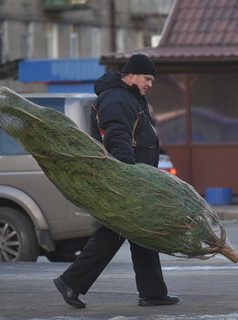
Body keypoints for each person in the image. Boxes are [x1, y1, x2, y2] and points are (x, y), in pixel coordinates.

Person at [54, 54, 179, 309]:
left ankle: (153, 292)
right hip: (125, 180)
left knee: (140, 234)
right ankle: (71, 282)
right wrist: (128, 174)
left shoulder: (128, 97)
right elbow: (116, 136)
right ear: (131, 75)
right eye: (147, 78)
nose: (150, 84)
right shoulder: (117, 98)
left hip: (131, 179)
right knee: (115, 234)